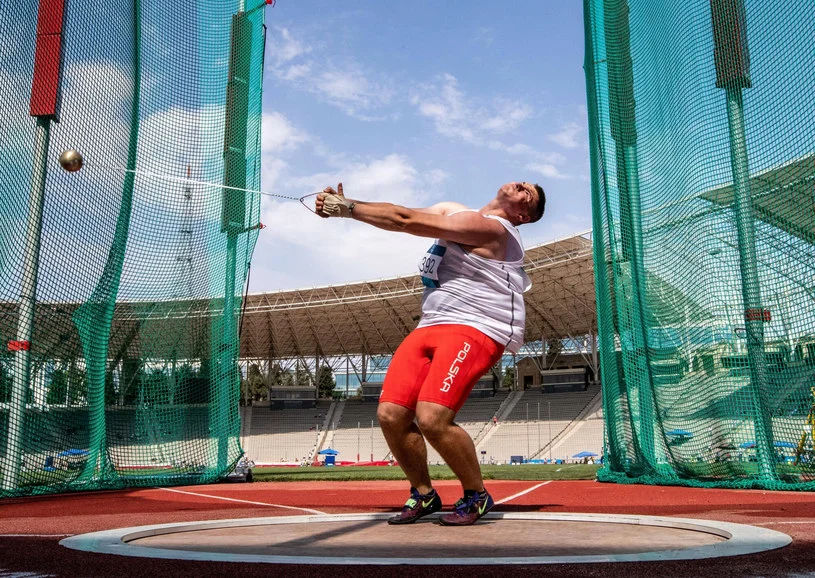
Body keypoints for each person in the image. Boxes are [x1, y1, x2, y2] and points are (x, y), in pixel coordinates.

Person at [315, 180, 545, 526]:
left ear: (523, 215)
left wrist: (348, 210)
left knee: (431, 418)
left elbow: (406, 221)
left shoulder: (493, 229)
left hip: (478, 326)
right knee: (391, 414)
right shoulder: (454, 209)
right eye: (523, 182)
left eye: (528, 193)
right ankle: (424, 494)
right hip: (432, 323)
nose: (521, 185)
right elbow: (402, 212)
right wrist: (348, 204)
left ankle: (476, 495)